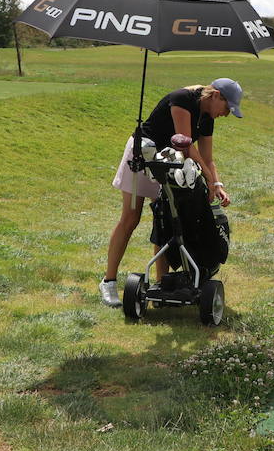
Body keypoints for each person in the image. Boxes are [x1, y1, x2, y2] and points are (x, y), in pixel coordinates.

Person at [100, 78, 242, 306]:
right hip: (143, 156)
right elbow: (184, 145)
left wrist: (217, 185)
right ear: (216, 95)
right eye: (227, 108)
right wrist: (206, 175)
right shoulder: (182, 99)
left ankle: (161, 286)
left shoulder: (208, 117)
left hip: (170, 165)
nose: (226, 114)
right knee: (130, 218)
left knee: (165, 220)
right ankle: (109, 282)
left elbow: (207, 158)